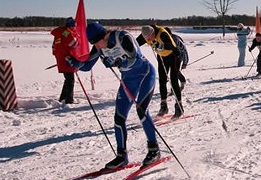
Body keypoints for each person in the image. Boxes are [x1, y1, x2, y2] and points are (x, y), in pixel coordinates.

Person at [67, 22, 161, 169]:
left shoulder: (122, 36)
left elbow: (134, 58)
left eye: (98, 43)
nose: (98, 47)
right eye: (94, 44)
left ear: (104, 35)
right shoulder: (99, 46)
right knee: (119, 117)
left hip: (145, 74)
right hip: (128, 80)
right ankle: (121, 156)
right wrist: (74, 63)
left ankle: (154, 150)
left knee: (142, 110)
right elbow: (86, 66)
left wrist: (118, 60)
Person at [137, 25, 184, 118]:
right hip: (162, 57)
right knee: (162, 80)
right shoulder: (145, 35)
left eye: (151, 36)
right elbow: (134, 44)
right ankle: (164, 106)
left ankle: (179, 107)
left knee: (173, 81)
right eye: (147, 38)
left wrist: (162, 45)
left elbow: (171, 46)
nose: (149, 39)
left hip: (174, 56)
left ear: (153, 32)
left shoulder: (162, 33)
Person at [51, 17, 79, 104]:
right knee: (70, 80)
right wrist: (78, 38)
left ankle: (63, 97)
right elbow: (74, 44)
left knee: (68, 79)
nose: (74, 28)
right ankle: (69, 100)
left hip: (61, 58)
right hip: (67, 59)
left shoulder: (59, 33)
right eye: (74, 26)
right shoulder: (66, 33)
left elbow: (54, 47)